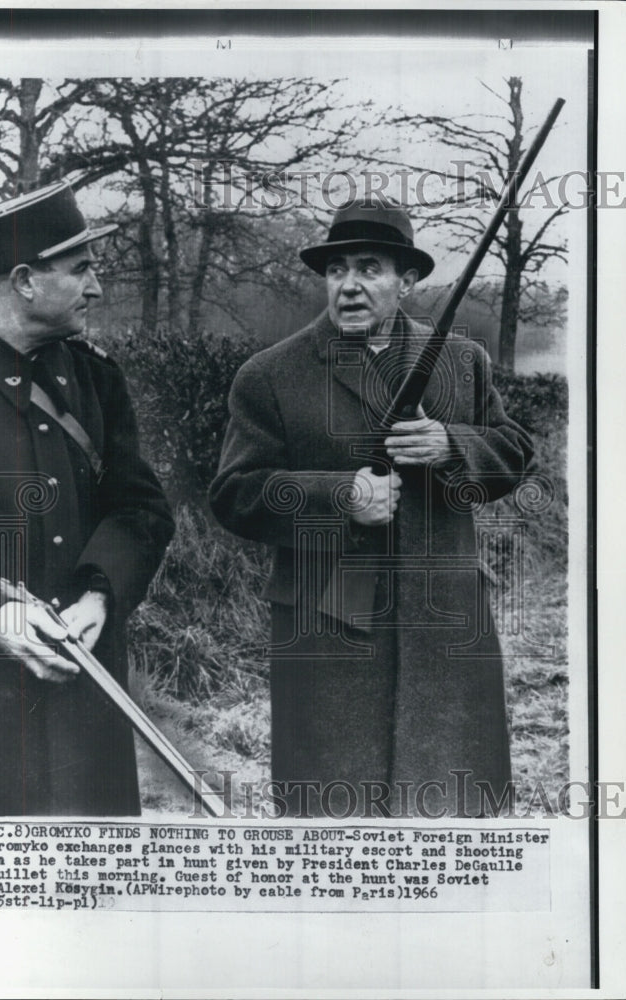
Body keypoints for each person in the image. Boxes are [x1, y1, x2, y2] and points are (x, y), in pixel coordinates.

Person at [209, 200, 533, 818]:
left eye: (370, 268)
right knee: (334, 832)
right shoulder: (271, 375)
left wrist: (452, 445)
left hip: (444, 632)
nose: (350, 286)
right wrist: (342, 496)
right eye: (337, 270)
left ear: (407, 281)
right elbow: (235, 492)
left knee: (452, 830)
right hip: (330, 637)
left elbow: (514, 450)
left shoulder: (461, 360)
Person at [0, 180, 175, 817]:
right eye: (82, 269)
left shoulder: (94, 376)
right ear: (26, 280)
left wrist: (101, 592)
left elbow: (139, 508)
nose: (97, 288)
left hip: (87, 701)